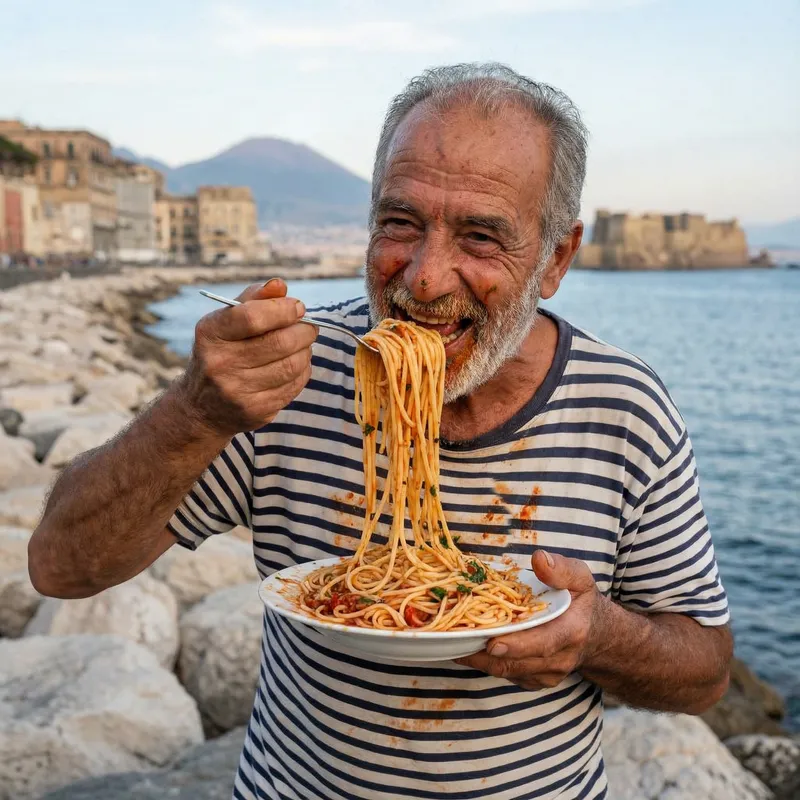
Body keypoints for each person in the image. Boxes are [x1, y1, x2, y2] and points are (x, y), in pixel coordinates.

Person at [29, 63, 732, 800]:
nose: (425, 278)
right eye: (400, 222)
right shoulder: (289, 375)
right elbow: (63, 568)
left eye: (481, 237)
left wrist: (598, 635)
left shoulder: (623, 407)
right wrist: (193, 412)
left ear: (555, 258)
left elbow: (705, 674)